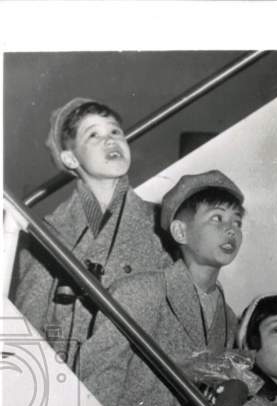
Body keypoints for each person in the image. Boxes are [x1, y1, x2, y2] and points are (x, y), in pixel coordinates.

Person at [77, 170, 243, 406]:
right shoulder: (139, 291)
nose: (231, 230)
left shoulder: (228, 319)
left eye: (237, 222)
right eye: (217, 218)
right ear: (180, 232)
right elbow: (99, 381)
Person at [13, 98, 169, 367]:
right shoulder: (48, 232)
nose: (110, 141)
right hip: (69, 374)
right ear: (70, 158)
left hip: (140, 374)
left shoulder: (162, 221)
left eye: (115, 131)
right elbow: (29, 320)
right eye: (93, 134)